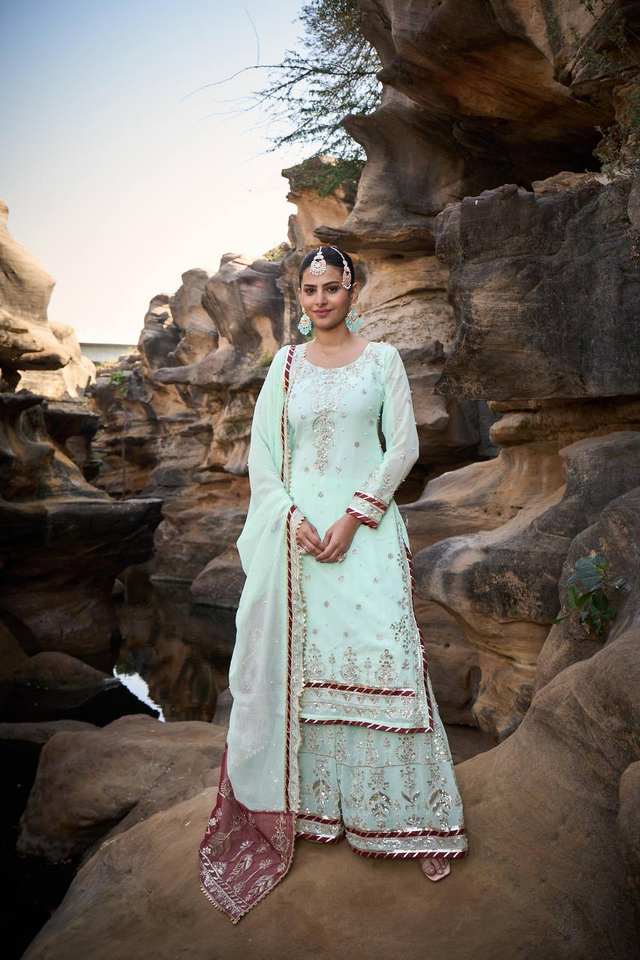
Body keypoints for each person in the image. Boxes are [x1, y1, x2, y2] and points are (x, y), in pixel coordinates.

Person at [198, 244, 468, 924]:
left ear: (352, 292)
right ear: (301, 296)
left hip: (365, 534)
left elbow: (402, 447)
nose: (320, 300)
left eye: (332, 288)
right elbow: (264, 457)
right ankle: (318, 811)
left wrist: (355, 517)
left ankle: (412, 820)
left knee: (388, 662)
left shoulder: (382, 361)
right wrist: (290, 518)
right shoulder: (285, 367)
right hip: (297, 540)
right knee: (308, 672)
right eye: (310, 289)